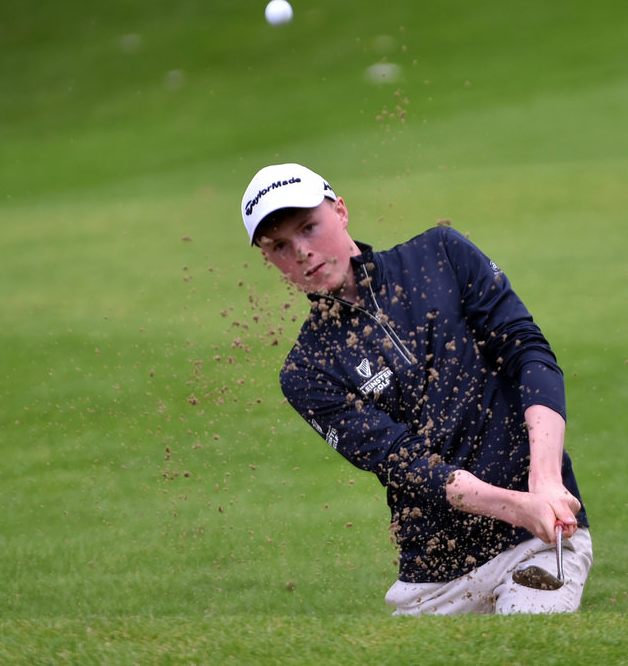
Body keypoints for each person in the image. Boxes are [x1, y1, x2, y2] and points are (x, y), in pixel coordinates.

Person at [240, 162, 592, 615]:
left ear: (341, 211)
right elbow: (408, 465)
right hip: (433, 577)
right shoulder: (308, 369)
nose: (302, 252)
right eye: (281, 246)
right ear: (268, 259)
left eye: (310, 227)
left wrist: (544, 480)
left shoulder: (440, 255)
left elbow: (529, 354)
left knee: (531, 639)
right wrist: (517, 505)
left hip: (537, 542)